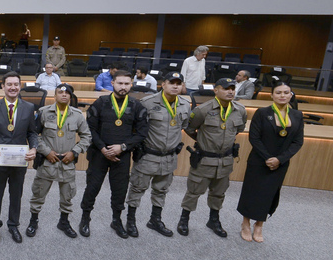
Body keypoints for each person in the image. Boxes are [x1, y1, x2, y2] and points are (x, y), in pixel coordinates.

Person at [78, 70, 149, 239]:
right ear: (112, 83)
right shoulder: (100, 102)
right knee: (92, 188)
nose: (123, 87)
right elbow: (90, 129)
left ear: (131, 84)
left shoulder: (136, 105)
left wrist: (123, 147)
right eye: (120, 83)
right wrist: (103, 148)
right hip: (99, 154)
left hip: (122, 155)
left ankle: (116, 221)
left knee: (119, 191)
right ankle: (85, 219)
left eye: (126, 84)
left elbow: (142, 133)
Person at [177, 77, 247, 238]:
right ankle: (184, 219)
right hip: (204, 159)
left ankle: (213, 220)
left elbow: (239, 128)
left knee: (219, 192)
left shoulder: (239, 110)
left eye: (232, 88)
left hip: (225, 160)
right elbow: (189, 127)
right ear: (216, 90)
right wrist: (202, 141)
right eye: (225, 88)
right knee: (194, 191)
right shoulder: (203, 110)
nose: (230, 91)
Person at [124, 72, 191, 237]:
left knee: (161, 190)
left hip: (169, 157)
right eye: (172, 82)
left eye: (179, 83)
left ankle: (155, 220)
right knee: (138, 188)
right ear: (164, 84)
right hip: (148, 156)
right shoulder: (147, 103)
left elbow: (184, 125)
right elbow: (135, 128)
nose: (175, 86)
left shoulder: (185, 104)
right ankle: (130, 220)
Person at [237, 82, 304, 243]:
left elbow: (298, 142)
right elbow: (254, 137)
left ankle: (259, 224)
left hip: (280, 163)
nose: (282, 95)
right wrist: (268, 158)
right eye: (278, 92)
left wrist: (279, 159)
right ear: (272, 95)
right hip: (259, 160)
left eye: (286, 92)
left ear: (291, 95)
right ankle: (245, 223)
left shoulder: (297, 115)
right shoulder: (262, 113)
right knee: (251, 191)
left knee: (270, 193)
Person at [26, 83, 91, 238]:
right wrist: (46, 152)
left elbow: (87, 137)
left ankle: (64, 222)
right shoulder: (43, 112)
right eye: (60, 93)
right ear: (54, 95)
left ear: (70, 96)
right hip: (48, 161)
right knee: (38, 193)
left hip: (67, 162)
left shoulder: (77, 115)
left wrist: (75, 152)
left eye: (67, 93)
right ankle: (33, 221)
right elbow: (34, 134)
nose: (63, 95)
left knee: (67, 196)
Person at [0, 71, 38, 243]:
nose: (13, 87)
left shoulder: (29, 107)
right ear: (3, 87)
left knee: (16, 194)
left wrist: (34, 148)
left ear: (20, 86)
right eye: (9, 84)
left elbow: (32, 133)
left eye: (16, 84)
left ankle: (13, 225)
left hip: (19, 161)